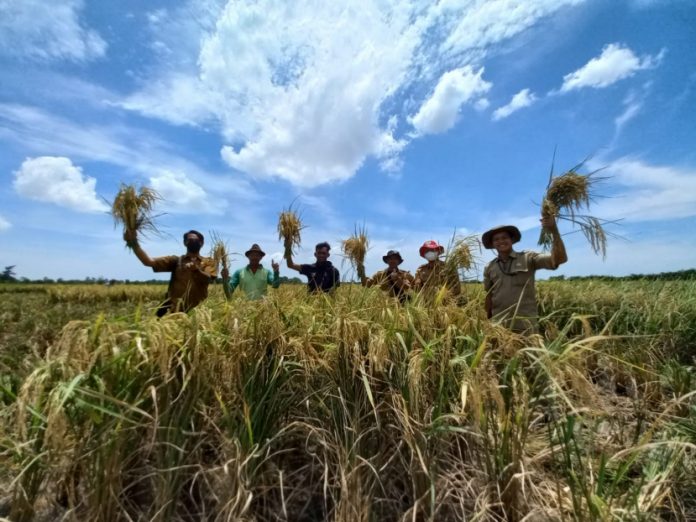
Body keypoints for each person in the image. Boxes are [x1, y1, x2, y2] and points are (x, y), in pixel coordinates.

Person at [482, 215, 568, 334]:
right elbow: (489, 296)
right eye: (496, 239)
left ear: (511, 240)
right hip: (499, 326)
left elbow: (559, 259)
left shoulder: (528, 258)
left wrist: (554, 231)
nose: (501, 241)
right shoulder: (490, 267)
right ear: (492, 244)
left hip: (525, 326)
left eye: (504, 237)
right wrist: (487, 321)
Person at [123, 229, 217, 316]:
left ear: (201, 243)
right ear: (185, 243)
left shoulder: (209, 262)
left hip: (198, 312)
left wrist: (196, 270)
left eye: (195, 240)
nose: (192, 241)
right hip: (173, 310)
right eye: (190, 240)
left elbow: (208, 279)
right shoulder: (176, 260)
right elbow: (148, 262)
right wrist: (133, 243)